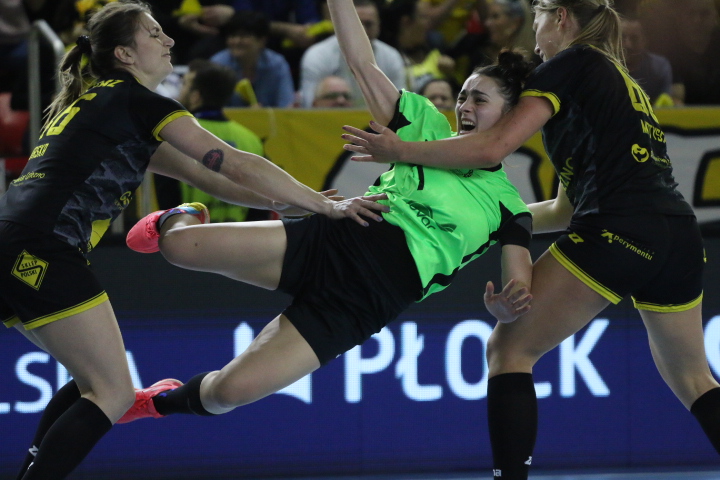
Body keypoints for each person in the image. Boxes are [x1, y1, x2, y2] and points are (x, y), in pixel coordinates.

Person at [116, 0, 535, 444]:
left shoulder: (510, 206)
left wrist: (506, 310)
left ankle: (154, 402)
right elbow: (361, 62)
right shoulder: (424, 125)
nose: (465, 105)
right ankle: (178, 218)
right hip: (336, 239)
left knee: (227, 394)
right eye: (463, 95)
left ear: (511, 118)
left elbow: (519, 282)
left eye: (480, 99)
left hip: (363, 303)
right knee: (178, 248)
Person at [0, 2, 389, 479]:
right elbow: (232, 161)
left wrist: (289, 204)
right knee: (114, 394)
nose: (169, 41)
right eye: (154, 33)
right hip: (43, 248)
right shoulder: (138, 101)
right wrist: (323, 204)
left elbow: (209, 177)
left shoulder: (107, 107)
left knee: (92, 386)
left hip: (15, 243)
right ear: (124, 53)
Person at [340, 1, 720, 479]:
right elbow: (563, 210)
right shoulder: (617, 79)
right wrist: (495, 221)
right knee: (694, 379)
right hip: (677, 236)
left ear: (559, 17)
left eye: (536, 20)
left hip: (619, 227)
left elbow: (494, 148)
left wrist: (399, 149)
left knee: (509, 350)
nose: (534, 39)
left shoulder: (570, 63)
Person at [174, 58, 266, 222]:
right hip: (240, 234)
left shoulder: (176, 136)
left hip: (189, 232)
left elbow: (168, 199)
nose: (180, 91)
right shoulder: (251, 139)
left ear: (195, 96)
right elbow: (261, 203)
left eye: (185, 85)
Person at [299, 0, 406, 108]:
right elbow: (308, 105)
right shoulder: (318, 55)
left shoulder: (391, 57)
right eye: (357, 24)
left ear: (379, 26)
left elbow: (400, 105)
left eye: (368, 24)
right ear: (341, 24)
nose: (362, 31)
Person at [209, 11, 295, 108]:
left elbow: (287, 105)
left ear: (261, 40)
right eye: (232, 36)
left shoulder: (277, 65)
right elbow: (213, 107)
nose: (236, 41)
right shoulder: (218, 64)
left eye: (244, 36)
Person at [619, 13, 678, 106]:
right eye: (622, 38)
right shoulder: (604, 67)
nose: (628, 45)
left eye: (634, 38)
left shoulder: (659, 67)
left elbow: (665, 104)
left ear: (644, 41)